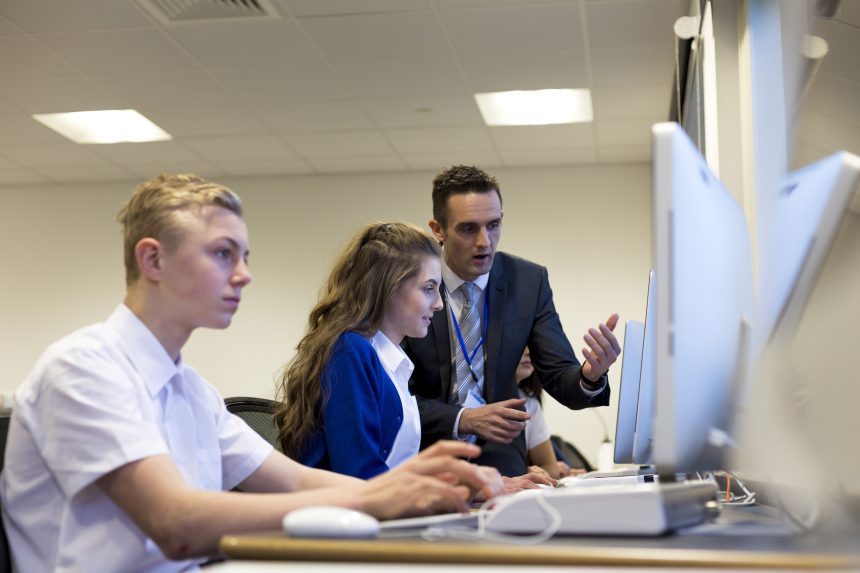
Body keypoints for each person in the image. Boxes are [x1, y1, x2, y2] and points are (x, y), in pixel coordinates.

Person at [0, 175, 501, 573]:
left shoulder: (192, 390)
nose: (244, 274)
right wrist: (382, 497)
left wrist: (416, 487)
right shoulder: (84, 367)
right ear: (152, 259)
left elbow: (293, 482)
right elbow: (175, 524)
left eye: (244, 257)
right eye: (223, 254)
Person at [404, 165, 621, 477]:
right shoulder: (411, 281)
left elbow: (559, 375)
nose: (485, 242)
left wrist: (590, 375)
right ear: (438, 229)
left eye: (493, 225)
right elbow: (396, 396)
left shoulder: (528, 282)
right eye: (468, 229)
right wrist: (462, 418)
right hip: (426, 455)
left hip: (503, 458)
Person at [273, 222, 444, 478]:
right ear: (388, 287)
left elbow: (387, 474)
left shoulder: (387, 361)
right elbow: (359, 473)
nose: (439, 304)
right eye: (428, 289)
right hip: (344, 514)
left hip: (374, 511)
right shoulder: (350, 351)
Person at [516, 348, 575, 480]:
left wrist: (528, 472)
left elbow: (551, 468)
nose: (528, 352)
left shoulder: (530, 403)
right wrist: (518, 471)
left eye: (531, 345)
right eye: (522, 344)